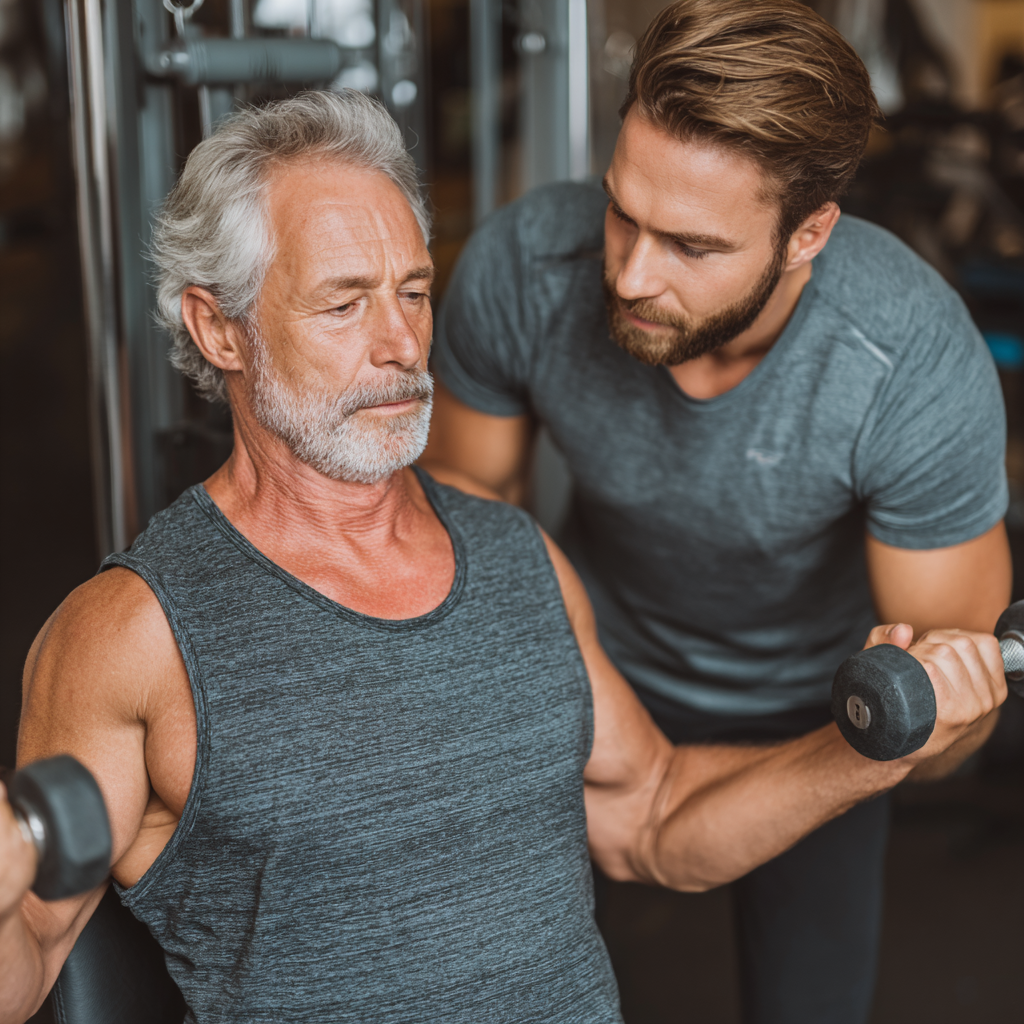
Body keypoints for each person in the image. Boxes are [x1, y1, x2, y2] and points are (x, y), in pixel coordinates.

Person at [0, 91, 1006, 1024]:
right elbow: (34, 950)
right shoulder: (130, 633)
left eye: (413, 291)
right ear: (219, 329)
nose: (400, 342)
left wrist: (871, 748)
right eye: (344, 304)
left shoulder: (512, 554)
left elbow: (653, 815)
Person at [420, 2, 1013, 1022]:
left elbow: (942, 713)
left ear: (806, 235)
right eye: (620, 212)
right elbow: (465, 521)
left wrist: (938, 720)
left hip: (816, 713)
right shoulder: (525, 266)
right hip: (588, 675)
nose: (632, 273)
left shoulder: (907, 361)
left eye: (691, 245)